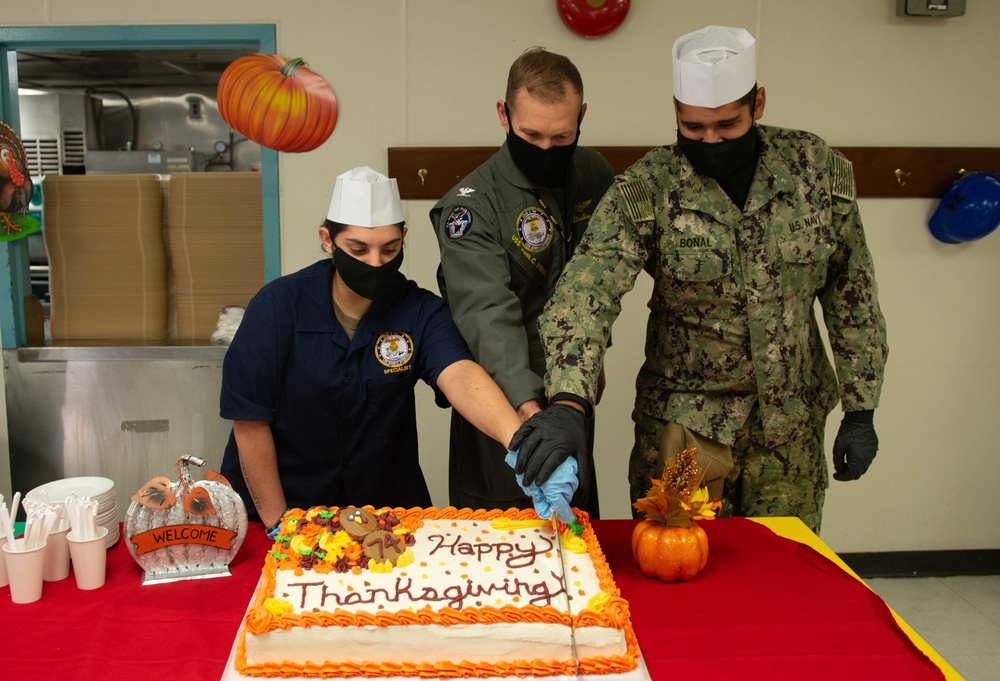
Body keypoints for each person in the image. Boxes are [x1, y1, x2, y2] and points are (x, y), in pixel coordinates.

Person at [512, 25, 888, 532]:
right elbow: (586, 295)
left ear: (757, 103)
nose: (710, 140)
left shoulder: (813, 171)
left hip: (789, 434)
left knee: (784, 585)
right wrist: (568, 401)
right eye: (692, 127)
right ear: (674, 110)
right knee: (677, 576)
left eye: (727, 125)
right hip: (684, 432)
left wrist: (860, 407)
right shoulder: (648, 188)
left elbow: (852, 294)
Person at [219, 166, 563, 532]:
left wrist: (523, 443)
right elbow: (250, 421)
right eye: (358, 249)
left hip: (386, 518)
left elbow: (461, 375)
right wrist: (279, 524)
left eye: (389, 249)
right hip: (288, 508)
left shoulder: (420, 311)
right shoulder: (277, 307)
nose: (375, 263)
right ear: (327, 240)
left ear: (404, 238)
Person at [430, 47, 614, 516]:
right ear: (503, 114)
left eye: (561, 136)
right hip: (503, 401)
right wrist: (531, 421)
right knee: (503, 543)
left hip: (571, 395)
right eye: (531, 134)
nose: (546, 149)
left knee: (578, 539)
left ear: (582, 117)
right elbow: (489, 316)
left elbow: (600, 277)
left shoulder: (593, 173)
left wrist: (589, 366)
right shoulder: (471, 208)